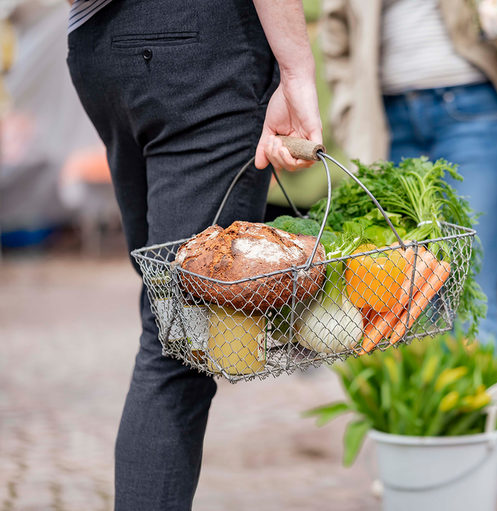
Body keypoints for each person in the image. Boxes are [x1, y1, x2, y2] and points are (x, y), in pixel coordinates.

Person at [66, 0, 322, 508]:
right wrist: (296, 70)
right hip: (199, 42)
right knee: (179, 340)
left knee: (167, 323)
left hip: (97, 46)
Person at [320, 0, 497, 346]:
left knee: (468, 292)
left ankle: (472, 400)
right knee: (398, 300)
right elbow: (336, 28)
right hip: (387, 122)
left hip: (474, 109)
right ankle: (419, 400)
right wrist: (348, 110)